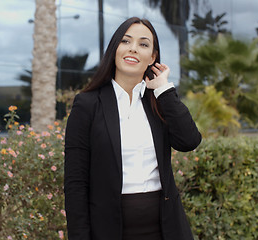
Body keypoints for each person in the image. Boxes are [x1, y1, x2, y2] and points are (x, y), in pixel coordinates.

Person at [64, 17, 202, 240]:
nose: (133, 49)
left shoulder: (158, 101)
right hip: (110, 230)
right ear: (115, 48)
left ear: (153, 58)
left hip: (165, 229)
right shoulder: (87, 104)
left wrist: (164, 90)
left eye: (143, 44)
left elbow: (189, 141)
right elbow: (75, 183)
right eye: (126, 41)